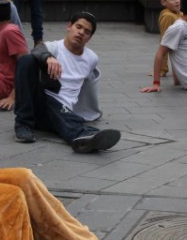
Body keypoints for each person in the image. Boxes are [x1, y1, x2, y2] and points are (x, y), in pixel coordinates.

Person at [13, 12, 121, 153]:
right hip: (41, 104)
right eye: (78, 27)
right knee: (26, 60)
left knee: (62, 113)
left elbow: (89, 85)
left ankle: (86, 135)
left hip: (61, 112)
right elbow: (38, 49)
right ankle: (23, 125)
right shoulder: (53, 48)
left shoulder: (91, 58)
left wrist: (90, 112)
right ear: (69, 26)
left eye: (87, 32)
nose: (81, 32)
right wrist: (48, 58)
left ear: (89, 38)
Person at [155, 0, 183, 78]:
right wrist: (162, 70)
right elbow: (164, 42)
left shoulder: (180, 14)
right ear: (164, 2)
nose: (177, 0)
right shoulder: (168, 16)